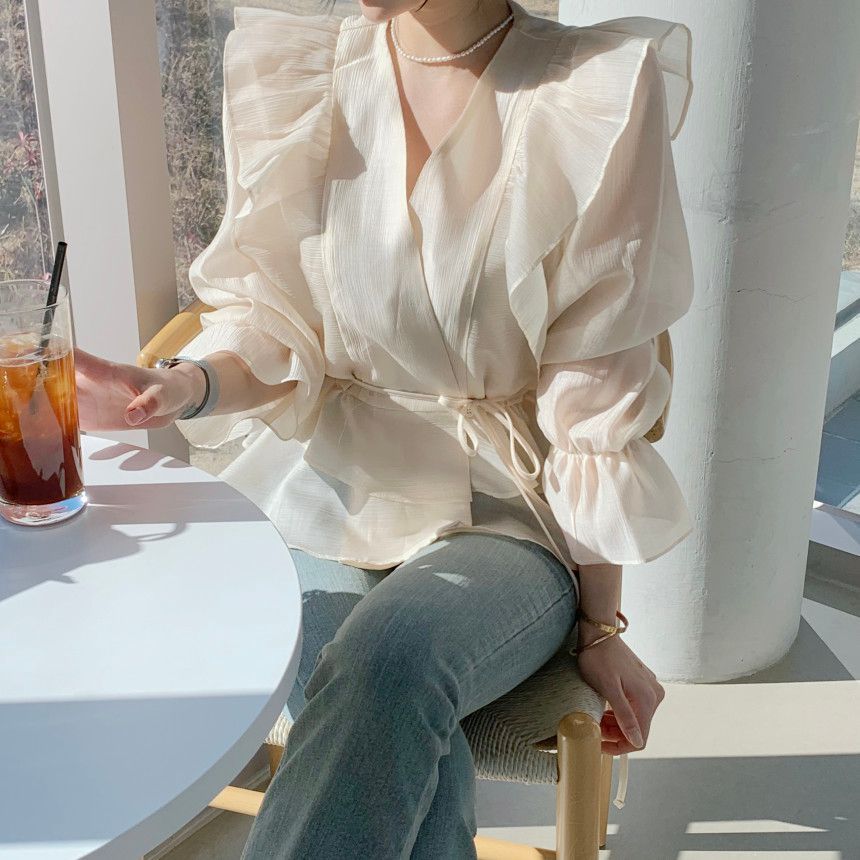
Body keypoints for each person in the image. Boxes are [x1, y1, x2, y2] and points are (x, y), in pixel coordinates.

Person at [74, 0, 695, 856]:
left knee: (385, 665)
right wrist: (183, 386)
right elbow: (276, 319)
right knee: (384, 705)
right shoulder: (302, 70)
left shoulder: (592, 93)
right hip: (326, 490)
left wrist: (600, 631)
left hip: (507, 513)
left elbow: (595, 397)